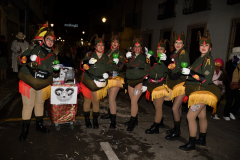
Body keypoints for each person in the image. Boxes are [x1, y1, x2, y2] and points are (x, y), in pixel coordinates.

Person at [179, 31, 221, 151]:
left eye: (206, 45)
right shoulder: (200, 59)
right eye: (201, 45)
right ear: (199, 47)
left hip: (202, 92)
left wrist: (190, 72)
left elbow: (204, 79)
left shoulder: (208, 59)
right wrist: (188, 72)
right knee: (202, 116)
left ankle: (192, 142)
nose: (203, 47)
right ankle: (202, 139)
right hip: (197, 91)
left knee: (190, 117)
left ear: (210, 47)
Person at [17, 26, 59, 141]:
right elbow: (20, 60)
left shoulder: (54, 56)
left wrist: (56, 70)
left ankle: (39, 125)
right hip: (29, 81)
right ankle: (24, 130)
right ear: (44, 39)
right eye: (48, 39)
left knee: (40, 104)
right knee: (28, 106)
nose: (50, 42)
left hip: (42, 83)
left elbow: (55, 75)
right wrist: (29, 58)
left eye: (52, 40)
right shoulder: (33, 48)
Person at [80, 35, 111, 129]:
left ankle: (95, 120)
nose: (101, 47)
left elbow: (110, 69)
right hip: (88, 80)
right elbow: (82, 66)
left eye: (102, 45)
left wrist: (108, 74)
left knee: (96, 102)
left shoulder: (106, 58)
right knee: (87, 101)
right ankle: (87, 120)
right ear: (95, 47)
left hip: (99, 82)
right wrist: (89, 63)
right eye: (98, 45)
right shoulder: (89, 55)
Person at [165, 31, 190, 140]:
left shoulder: (183, 53)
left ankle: (177, 131)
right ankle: (176, 128)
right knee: (178, 107)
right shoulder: (175, 53)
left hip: (181, 83)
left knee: (174, 108)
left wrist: (169, 63)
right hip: (175, 83)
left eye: (180, 43)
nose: (178, 44)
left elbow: (178, 67)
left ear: (183, 44)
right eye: (176, 42)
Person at [144, 40, 170, 134]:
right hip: (152, 85)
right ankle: (160, 121)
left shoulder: (167, 60)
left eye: (161, 49)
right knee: (155, 106)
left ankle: (156, 127)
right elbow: (148, 70)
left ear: (165, 51)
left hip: (160, 86)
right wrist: (147, 60)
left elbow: (169, 67)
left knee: (158, 107)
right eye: (158, 49)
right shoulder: (153, 58)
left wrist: (166, 60)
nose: (159, 50)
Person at [100, 33, 125, 129]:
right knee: (109, 96)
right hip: (108, 77)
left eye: (117, 42)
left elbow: (121, 66)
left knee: (111, 99)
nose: (115, 44)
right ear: (111, 43)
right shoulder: (108, 52)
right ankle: (110, 114)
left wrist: (118, 61)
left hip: (116, 77)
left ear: (119, 44)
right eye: (113, 42)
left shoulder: (120, 53)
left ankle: (113, 121)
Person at [124, 37, 148, 131]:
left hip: (139, 81)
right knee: (133, 102)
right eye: (135, 46)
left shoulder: (145, 57)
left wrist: (145, 83)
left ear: (141, 48)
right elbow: (125, 65)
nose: (137, 48)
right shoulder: (130, 56)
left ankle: (132, 122)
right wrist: (126, 58)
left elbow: (148, 69)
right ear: (133, 48)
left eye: (139, 46)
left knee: (133, 102)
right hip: (130, 81)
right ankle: (135, 119)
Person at [223, 47, 240, 121]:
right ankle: (225, 114)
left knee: (238, 100)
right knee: (229, 100)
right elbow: (230, 71)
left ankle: (232, 112)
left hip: (238, 84)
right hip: (230, 84)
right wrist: (235, 62)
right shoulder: (229, 63)